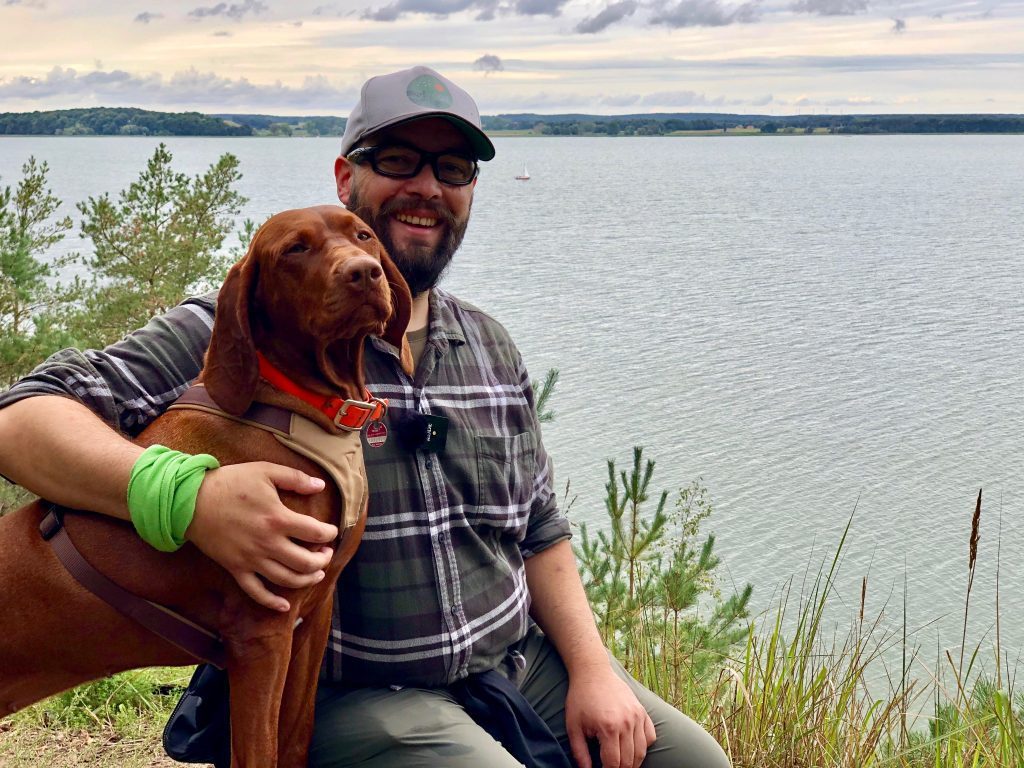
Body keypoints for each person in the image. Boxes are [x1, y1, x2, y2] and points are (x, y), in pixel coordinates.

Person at [0, 66, 730, 768]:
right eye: (400, 160)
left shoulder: (488, 346)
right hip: (362, 695)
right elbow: (19, 420)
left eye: (453, 170)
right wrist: (188, 498)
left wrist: (593, 670)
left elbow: (540, 529)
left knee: (699, 760)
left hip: (511, 662)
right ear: (348, 176)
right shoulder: (247, 330)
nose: (427, 187)